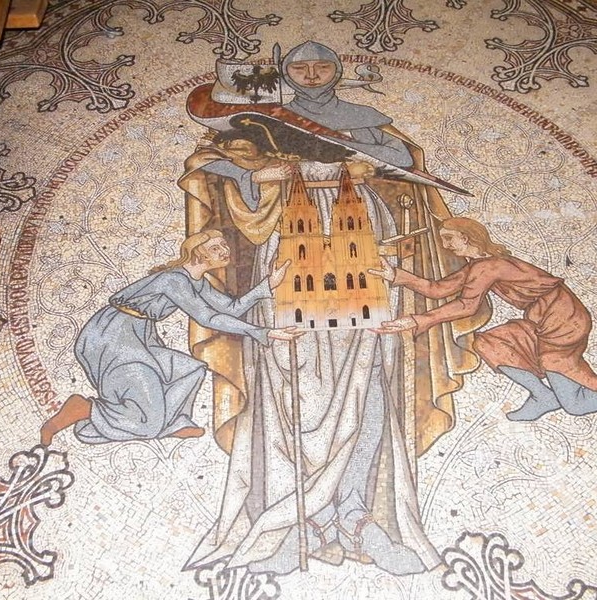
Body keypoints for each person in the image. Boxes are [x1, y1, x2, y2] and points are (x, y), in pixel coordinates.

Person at [181, 41, 487, 576]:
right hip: (288, 238)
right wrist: (258, 174)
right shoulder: (261, 120)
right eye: (299, 67)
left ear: (338, 70)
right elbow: (205, 161)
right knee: (285, 372)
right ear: (284, 73)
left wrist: (357, 154)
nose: (312, 73)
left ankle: (360, 515)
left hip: (360, 234)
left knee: (370, 370)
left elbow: (403, 160)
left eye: (322, 65)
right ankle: (292, 519)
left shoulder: (362, 118)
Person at [369, 217, 597, 419]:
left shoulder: (487, 267)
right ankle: (543, 396)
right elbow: (438, 289)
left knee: (576, 405)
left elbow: (466, 306)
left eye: (449, 239)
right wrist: (395, 275)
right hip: (543, 319)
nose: (445, 245)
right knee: (490, 343)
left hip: (562, 320)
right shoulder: (479, 265)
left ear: (466, 237)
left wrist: (416, 321)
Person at [39, 230, 300, 447]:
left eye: (224, 245)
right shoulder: (174, 280)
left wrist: (267, 285)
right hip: (114, 336)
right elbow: (208, 317)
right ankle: (84, 409)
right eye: (216, 247)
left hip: (140, 335)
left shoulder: (197, 281)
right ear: (198, 253)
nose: (225, 251)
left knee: (191, 370)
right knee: (146, 423)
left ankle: (172, 423)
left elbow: (230, 309)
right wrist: (263, 332)